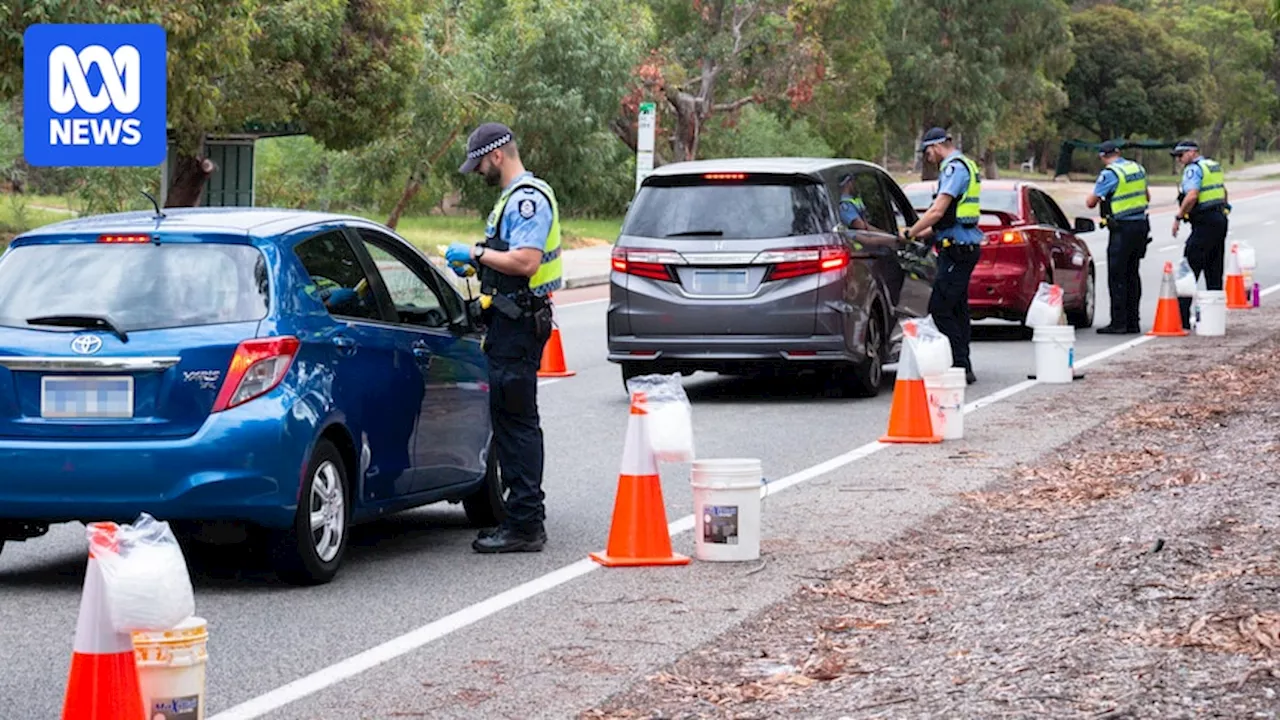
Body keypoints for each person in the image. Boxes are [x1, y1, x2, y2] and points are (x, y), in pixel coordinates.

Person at [445, 122, 561, 553]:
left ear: (497, 156)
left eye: (479, 164)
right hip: (510, 322)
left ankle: (525, 523)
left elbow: (527, 261)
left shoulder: (527, 200)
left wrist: (475, 253)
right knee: (512, 420)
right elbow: (507, 257)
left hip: (518, 325)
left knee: (516, 423)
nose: (477, 172)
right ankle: (525, 517)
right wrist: (478, 267)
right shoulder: (513, 199)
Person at [902, 127, 982, 385]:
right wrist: (923, 233)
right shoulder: (966, 164)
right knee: (958, 308)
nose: (927, 157)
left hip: (958, 249)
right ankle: (962, 365)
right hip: (960, 245)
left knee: (940, 307)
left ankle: (958, 363)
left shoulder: (953, 168)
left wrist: (911, 232)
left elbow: (938, 211)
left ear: (935, 146)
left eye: (926, 151)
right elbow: (947, 217)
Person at [1086, 140, 1151, 334]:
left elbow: (1091, 202)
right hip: (1141, 226)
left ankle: (1118, 322)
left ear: (1102, 156)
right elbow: (1147, 196)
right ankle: (1133, 321)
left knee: (1117, 276)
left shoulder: (1110, 174)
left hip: (1122, 229)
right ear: (1118, 152)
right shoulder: (1137, 168)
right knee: (1133, 273)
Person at [1170, 140, 1230, 329]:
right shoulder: (1213, 165)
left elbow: (1193, 195)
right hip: (1219, 218)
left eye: (1181, 155)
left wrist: (1179, 216)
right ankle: (1214, 319)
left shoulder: (1193, 169)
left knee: (1189, 267)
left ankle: (1182, 318)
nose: (1179, 160)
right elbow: (1223, 191)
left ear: (1192, 152)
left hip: (1204, 221)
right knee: (1214, 268)